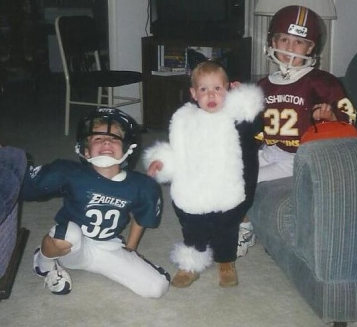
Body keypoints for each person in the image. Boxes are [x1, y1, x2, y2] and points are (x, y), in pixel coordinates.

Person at [237, 5, 357, 257]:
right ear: (272, 41)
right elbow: (256, 126)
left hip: (297, 158)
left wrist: (331, 117)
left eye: (299, 42)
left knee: (244, 181)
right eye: (284, 39)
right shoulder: (264, 84)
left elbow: (350, 119)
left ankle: (245, 228)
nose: (290, 48)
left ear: (311, 47)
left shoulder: (322, 82)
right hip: (270, 149)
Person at [21, 107, 170, 298]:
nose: (107, 141)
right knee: (67, 233)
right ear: (86, 151)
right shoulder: (71, 174)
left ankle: (126, 264)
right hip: (72, 246)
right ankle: (44, 263)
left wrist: (131, 249)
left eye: (114, 138)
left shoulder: (141, 185)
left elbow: (141, 217)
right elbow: (26, 184)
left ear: (127, 149)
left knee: (157, 288)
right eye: (98, 138)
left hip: (109, 245)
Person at [144, 61, 263, 288]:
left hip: (224, 187)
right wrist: (161, 161)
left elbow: (254, 129)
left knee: (226, 227)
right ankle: (191, 264)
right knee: (192, 228)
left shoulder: (233, 117)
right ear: (193, 93)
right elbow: (176, 149)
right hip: (193, 187)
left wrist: (243, 100)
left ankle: (226, 262)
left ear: (227, 90)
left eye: (218, 89)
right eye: (203, 89)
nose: (211, 95)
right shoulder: (183, 118)